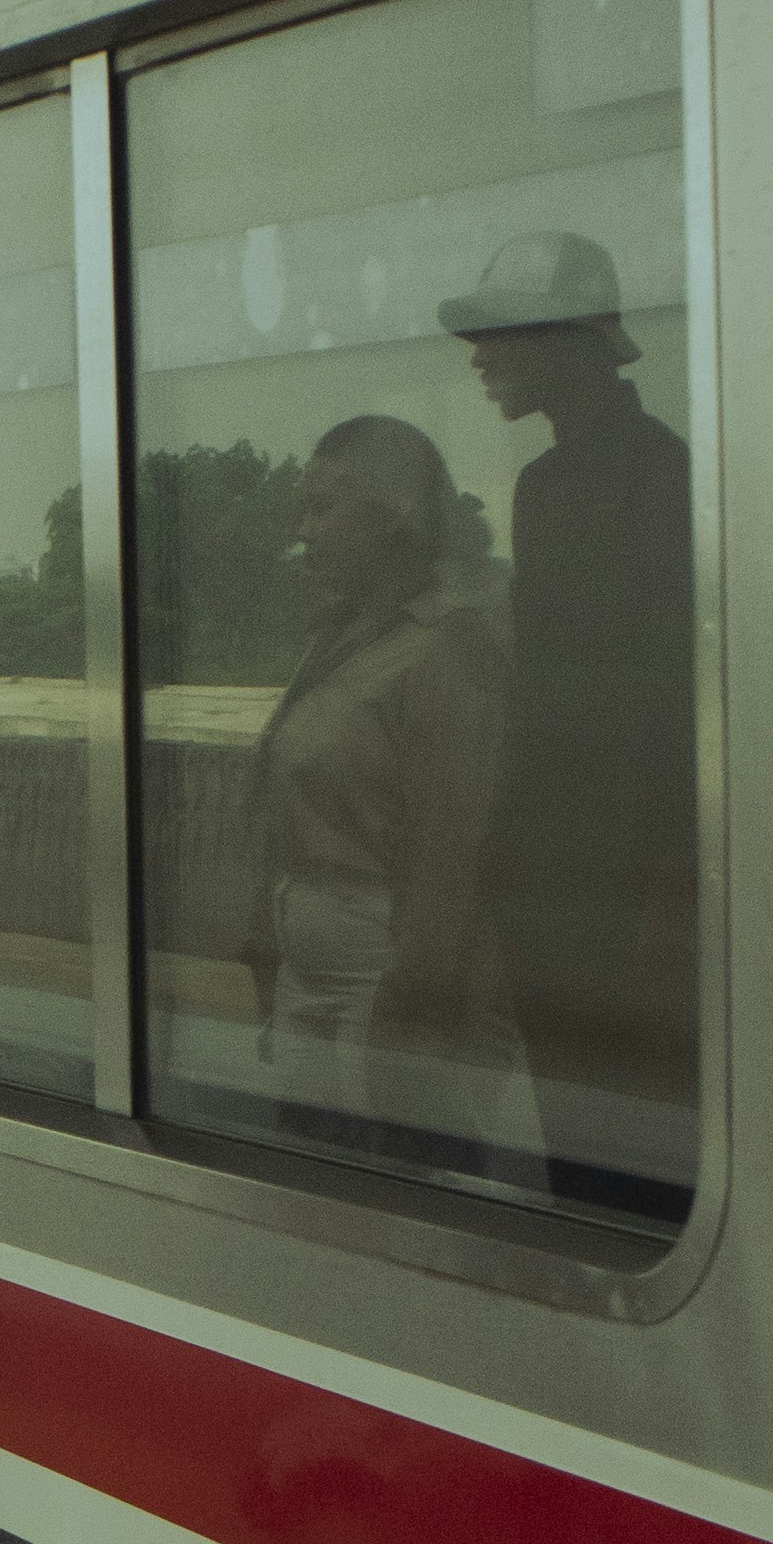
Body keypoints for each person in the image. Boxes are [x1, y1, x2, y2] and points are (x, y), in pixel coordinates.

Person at [440, 230, 698, 1218]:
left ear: (576, 343)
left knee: (637, 1162)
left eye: (501, 334)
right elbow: (552, 693)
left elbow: (663, 699)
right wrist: (508, 836)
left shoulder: (660, 479)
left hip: (630, 892)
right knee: (572, 1150)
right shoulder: (545, 487)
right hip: (555, 880)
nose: (480, 358)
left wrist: (668, 893)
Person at [248, 415, 512, 1169]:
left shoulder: (449, 645)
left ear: (394, 512)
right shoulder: (341, 636)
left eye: (324, 508)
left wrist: (411, 1000)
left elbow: (451, 846)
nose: (305, 532)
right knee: (314, 1185)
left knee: (403, 1184)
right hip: (311, 960)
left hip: (388, 963)